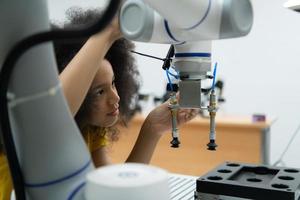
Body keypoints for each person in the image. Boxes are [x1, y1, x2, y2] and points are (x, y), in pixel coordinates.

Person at [56, 7, 199, 166]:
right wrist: (109, 30)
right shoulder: (50, 137)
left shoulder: (91, 129)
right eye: (100, 92)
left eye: (113, 83)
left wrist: (152, 128)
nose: (115, 97)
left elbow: (110, 184)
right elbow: (56, 112)